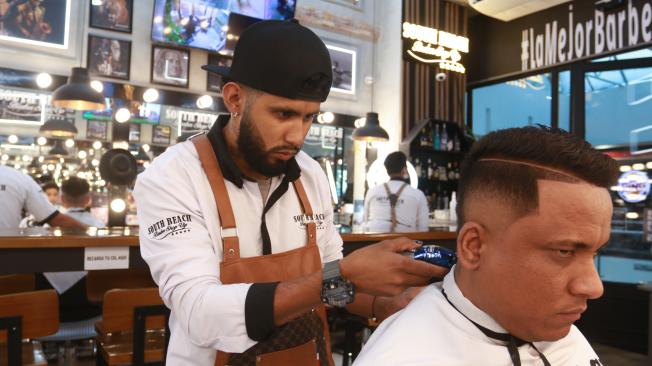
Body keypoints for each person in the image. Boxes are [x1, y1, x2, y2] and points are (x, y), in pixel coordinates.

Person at [134, 19, 447, 366]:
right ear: (235, 98)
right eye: (283, 114)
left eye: (309, 117)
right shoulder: (172, 177)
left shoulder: (310, 175)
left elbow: (330, 281)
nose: (298, 137)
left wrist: (383, 304)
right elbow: (198, 311)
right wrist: (345, 273)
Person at [354, 126, 617, 365]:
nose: (594, 287)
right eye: (564, 251)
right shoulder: (405, 357)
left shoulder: (544, 321)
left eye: (595, 252)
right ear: (474, 246)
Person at [0, 165, 86, 230]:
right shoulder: (18, 178)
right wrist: (87, 231)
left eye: (55, 194)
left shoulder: (19, 178)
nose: (52, 197)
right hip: (6, 248)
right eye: (48, 194)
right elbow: (56, 219)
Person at [363, 151, 429, 232]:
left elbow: (365, 221)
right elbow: (423, 228)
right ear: (404, 169)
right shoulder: (418, 195)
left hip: (373, 241)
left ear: (387, 170)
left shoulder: (372, 192)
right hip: (404, 241)